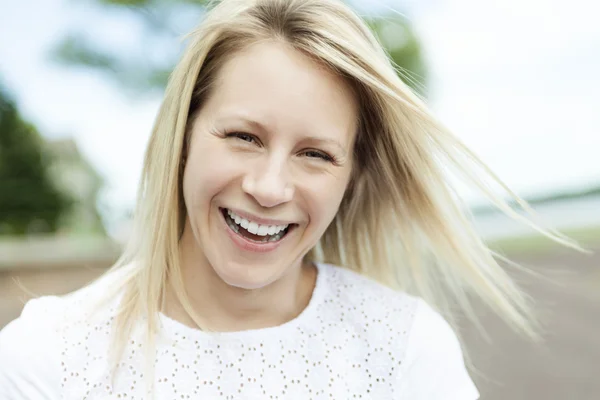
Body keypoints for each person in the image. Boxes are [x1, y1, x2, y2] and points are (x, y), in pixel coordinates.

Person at [0, 0, 581, 398]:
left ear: (350, 176)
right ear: (181, 139)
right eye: (243, 137)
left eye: (316, 154)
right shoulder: (47, 356)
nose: (270, 187)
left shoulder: (405, 350)